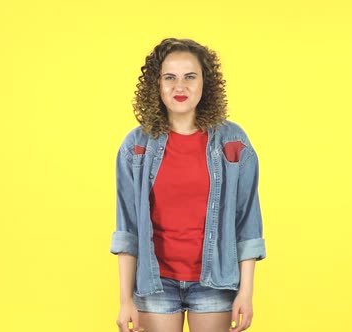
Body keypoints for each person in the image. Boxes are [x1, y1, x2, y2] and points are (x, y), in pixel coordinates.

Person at [110, 37, 266, 332]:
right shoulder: (136, 146)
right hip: (154, 285)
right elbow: (127, 228)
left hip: (214, 282)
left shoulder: (233, 142)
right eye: (169, 77)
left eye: (190, 77)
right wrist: (124, 299)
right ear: (156, 85)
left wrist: (246, 292)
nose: (179, 87)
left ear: (205, 83)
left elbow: (247, 222)